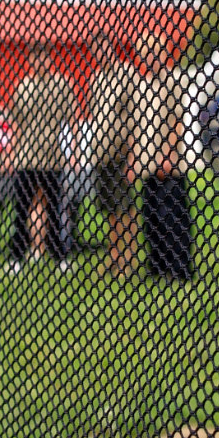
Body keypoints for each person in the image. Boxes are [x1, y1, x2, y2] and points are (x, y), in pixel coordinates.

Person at [6, 43, 75, 275]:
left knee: (55, 209)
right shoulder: (22, 87)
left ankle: (59, 257)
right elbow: (16, 124)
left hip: (53, 157)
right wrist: (10, 154)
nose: (39, 62)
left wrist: (71, 152)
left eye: (43, 57)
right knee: (22, 209)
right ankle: (17, 256)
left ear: (50, 59)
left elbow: (71, 121)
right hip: (26, 157)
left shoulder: (61, 84)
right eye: (34, 58)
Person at [133, 34, 194, 282]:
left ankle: (179, 267)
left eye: (152, 51)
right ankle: (157, 264)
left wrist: (168, 154)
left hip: (169, 163)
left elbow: (176, 121)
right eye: (144, 52)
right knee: (152, 216)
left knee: (173, 215)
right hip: (147, 163)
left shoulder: (173, 80)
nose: (149, 56)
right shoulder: (143, 84)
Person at [85, 31, 139, 275]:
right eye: (95, 49)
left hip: (121, 153)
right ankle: (114, 256)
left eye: (103, 47)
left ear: (112, 47)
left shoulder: (126, 74)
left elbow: (136, 115)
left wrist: (133, 154)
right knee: (109, 211)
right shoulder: (96, 79)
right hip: (101, 154)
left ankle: (129, 259)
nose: (100, 53)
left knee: (125, 209)